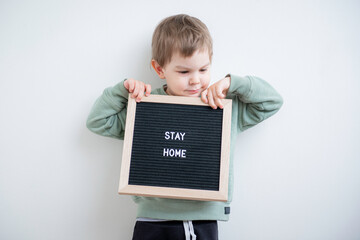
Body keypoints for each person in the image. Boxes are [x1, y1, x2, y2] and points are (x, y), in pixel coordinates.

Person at [86, 14, 283, 240]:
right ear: (160, 69)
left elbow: (272, 102)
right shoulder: (146, 106)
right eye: (184, 72)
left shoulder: (221, 106)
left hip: (203, 220)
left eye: (203, 69)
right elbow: (98, 121)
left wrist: (233, 83)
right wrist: (123, 91)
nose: (195, 80)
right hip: (152, 221)